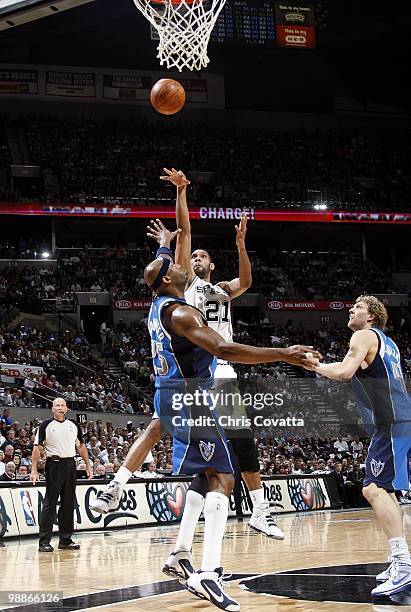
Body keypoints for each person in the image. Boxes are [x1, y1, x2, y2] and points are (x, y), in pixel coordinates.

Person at [92, 228, 319, 611]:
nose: (183, 263)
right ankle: (209, 574)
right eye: (175, 263)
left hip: (171, 394)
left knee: (202, 471)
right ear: (168, 279)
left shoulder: (157, 305)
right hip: (190, 399)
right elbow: (224, 346)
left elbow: (169, 258)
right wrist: (283, 353)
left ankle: (175, 547)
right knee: (224, 477)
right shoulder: (181, 312)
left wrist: (164, 241)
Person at [149, 168, 284, 539]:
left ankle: (250, 513)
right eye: (191, 257)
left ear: (211, 265)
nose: (195, 259)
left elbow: (248, 282)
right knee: (230, 443)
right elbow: (185, 231)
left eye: (202, 257)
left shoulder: (221, 288)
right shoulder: (185, 288)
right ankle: (257, 510)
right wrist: (181, 192)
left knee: (233, 443)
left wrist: (241, 246)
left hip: (225, 366)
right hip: (207, 369)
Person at [305, 295, 411, 597]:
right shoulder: (388, 343)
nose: (351, 310)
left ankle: (403, 564)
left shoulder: (362, 335)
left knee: (373, 489)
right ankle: (397, 560)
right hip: (399, 419)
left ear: (372, 317)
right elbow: (348, 364)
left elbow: (343, 372)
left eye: (358, 307)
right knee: (387, 492)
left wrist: (313, 365)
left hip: (392, 421)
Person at [30, 397, 93, 552]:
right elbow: (37, 448)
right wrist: (33, 469)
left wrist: (88, 464)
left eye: (62, 405)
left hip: (70, 464)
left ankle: (65, 539)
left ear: (66, 409)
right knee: (50, 503)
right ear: (52, 408)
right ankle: (44, 541)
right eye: (57, 405)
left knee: (68, 503)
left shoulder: (73, 424)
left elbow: (81, 446)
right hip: (54, 464)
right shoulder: (45, 425)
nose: (60, 408)